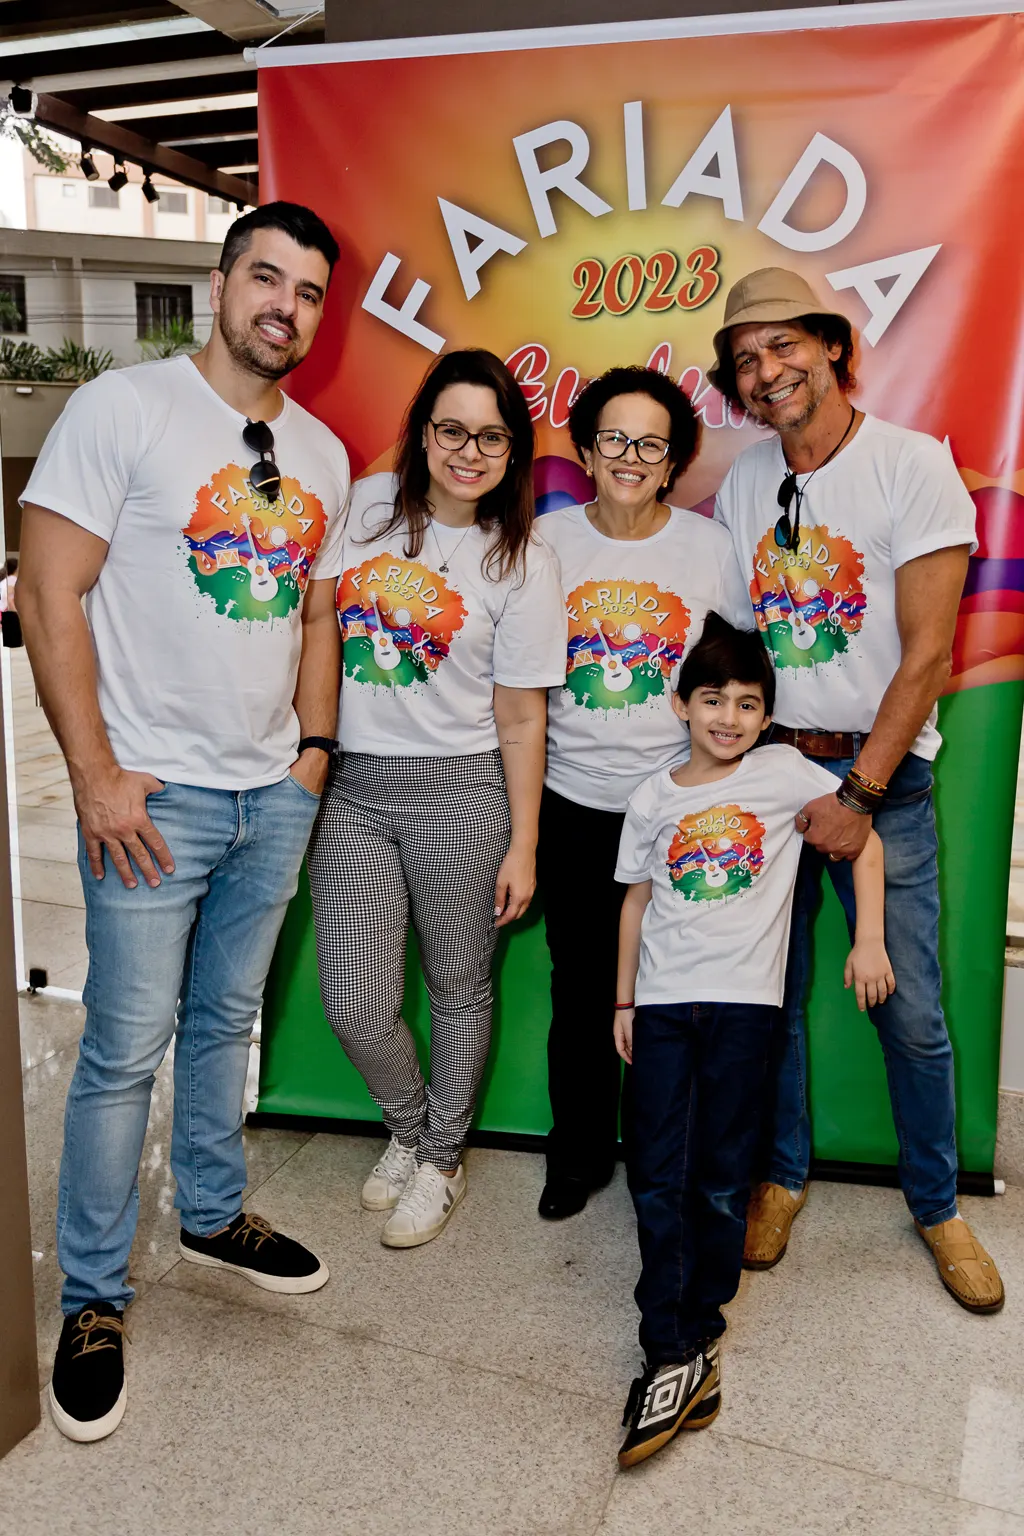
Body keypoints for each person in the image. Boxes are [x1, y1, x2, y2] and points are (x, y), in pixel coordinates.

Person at [18, 201, 351, 1443]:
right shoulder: (124, 409)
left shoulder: (322, 454)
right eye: (266, 277)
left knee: (226, 1022)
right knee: (124, 1047)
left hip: (273, 795)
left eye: (307, 292)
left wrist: (312, 757)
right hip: (152, 800)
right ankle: (94, 1299)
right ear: (219, 283)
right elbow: (50, 592)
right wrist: (95, 773)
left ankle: (212, 1213)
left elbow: (315, 617)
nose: (284, 306)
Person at [710, 266, 1004, 1311]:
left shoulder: (912, 464)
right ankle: (781, 1178)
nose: (767, 370)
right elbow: (738, 640)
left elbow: (926, 656)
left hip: (881, 780)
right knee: (772, 998)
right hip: (770, 772)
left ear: (831, 347)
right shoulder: (747, 480)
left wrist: (861, 795)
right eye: (747, 358)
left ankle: (938, 1205)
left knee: (910, 1012)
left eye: (784, 345)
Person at [614, 614, 893, 1467]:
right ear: (680, 705)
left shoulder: (781, 773)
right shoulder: (653, 797)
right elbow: (635, 900)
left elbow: (863, 839)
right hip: (663, 1007)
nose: (729, 717)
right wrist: (623, 1001)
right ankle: (672, 1346)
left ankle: (692, 1336)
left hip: (745, 1011)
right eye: (713, 700)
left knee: (721, 1174)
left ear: (767, 716)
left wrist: (869, 939)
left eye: (747, 703)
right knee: (656, 1170)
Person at [308, 348, 565, 1249]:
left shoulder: (522, 560)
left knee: (458, 986)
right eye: (452, 429)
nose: (469, 451)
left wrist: (523, 843)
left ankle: (442, 1159)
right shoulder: (366, 509)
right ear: (422, 433)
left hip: (463, 791)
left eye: (492, 437)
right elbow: (315, 628)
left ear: (513, 451)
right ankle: (410, 1127)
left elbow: (522, 716)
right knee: (356, 1003)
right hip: (352, 790)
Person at [534, 365, 750, 1221]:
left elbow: (734, 675)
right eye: (615, 439)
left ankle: (672, 1158)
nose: (631, 456)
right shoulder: (545, 541)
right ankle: (578, 1153)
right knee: (581, 987)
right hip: (570, 802)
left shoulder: (709, 551)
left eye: (651, 445)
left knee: (680, 993)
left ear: (673, 463)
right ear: (587, 452)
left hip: (675, 806)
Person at [1, 555, 22, 647]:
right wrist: (16, 614)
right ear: (16, 568)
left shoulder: (5, 580)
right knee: (14, 644)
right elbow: (10, 599)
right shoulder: (13, 580)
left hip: (4, 612)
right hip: (9, 613)